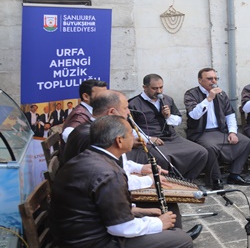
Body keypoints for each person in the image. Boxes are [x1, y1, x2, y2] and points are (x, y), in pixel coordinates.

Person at [50, 116, 217, 248]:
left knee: (166, 229)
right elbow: (121, 228)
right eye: (131, 133)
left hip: (75, 238)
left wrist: (141, 212)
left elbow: (99, 207)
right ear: (119, 140)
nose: (135, 138)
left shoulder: (88, 158)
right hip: (88, 246)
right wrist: (158, 223)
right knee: (181, 241)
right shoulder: (109, 173)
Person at [62, 90, 203, 236]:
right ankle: (173, 241)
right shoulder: (91, 136)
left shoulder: (99, 129)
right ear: (112, 112)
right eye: (125, 108)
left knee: (166, 199)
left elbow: (118, 164)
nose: (128, 113)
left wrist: (141, 168)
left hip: (100, 196)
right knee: (162, 198)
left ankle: (175, 238)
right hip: (94, 212)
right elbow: (108, 179)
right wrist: (148, 180)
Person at [128, 74, 208, 182]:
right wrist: (148, 139)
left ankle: (186, 181)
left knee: (201, 152)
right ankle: (167, 183)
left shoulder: (167, 99)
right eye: (154, 88)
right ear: (145, 87)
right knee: (162, 158)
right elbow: (130, 129)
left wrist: (168, 116)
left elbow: (179, 120)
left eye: (161, 87)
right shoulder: (133, 104)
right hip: (150, 140)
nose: (159, 91)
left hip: (171, 137)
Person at [184, 68, 250, 189]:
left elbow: (230, 114)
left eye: (215, 78)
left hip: (220, 131)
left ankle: (235, 174)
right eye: (209, 78)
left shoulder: (221, 94)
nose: (213, 81)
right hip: (201, 133)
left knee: (246, 142)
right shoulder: (191, 94)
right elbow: (194, 115)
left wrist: (232, 132)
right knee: (209, 148)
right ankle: (215, 179)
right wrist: (209, 98)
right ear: (200, 80)